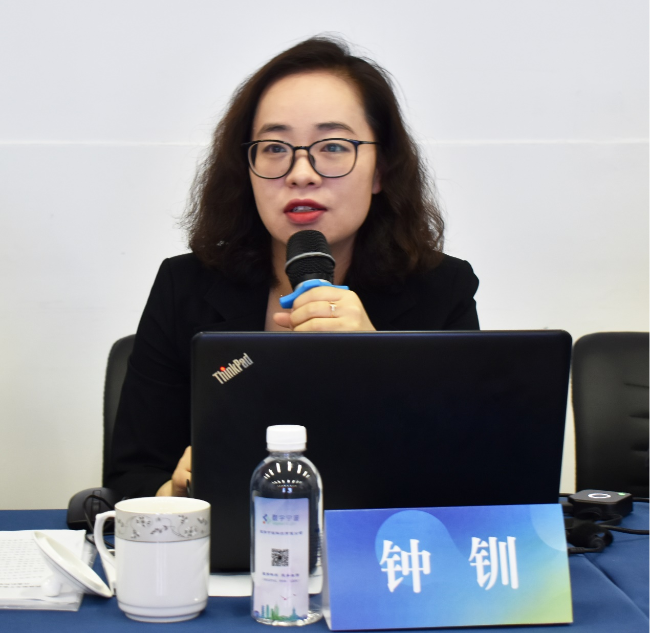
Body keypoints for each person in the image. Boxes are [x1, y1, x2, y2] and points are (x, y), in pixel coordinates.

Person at [106, 36, 480, 499]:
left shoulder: (440, 291)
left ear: (381, 170)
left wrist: (379, 363)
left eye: (334, 146)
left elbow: (470, 479)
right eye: (275, 148)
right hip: (227, 544)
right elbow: (132, 477)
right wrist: (177, 494)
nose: (301, 173)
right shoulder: (184, 287)